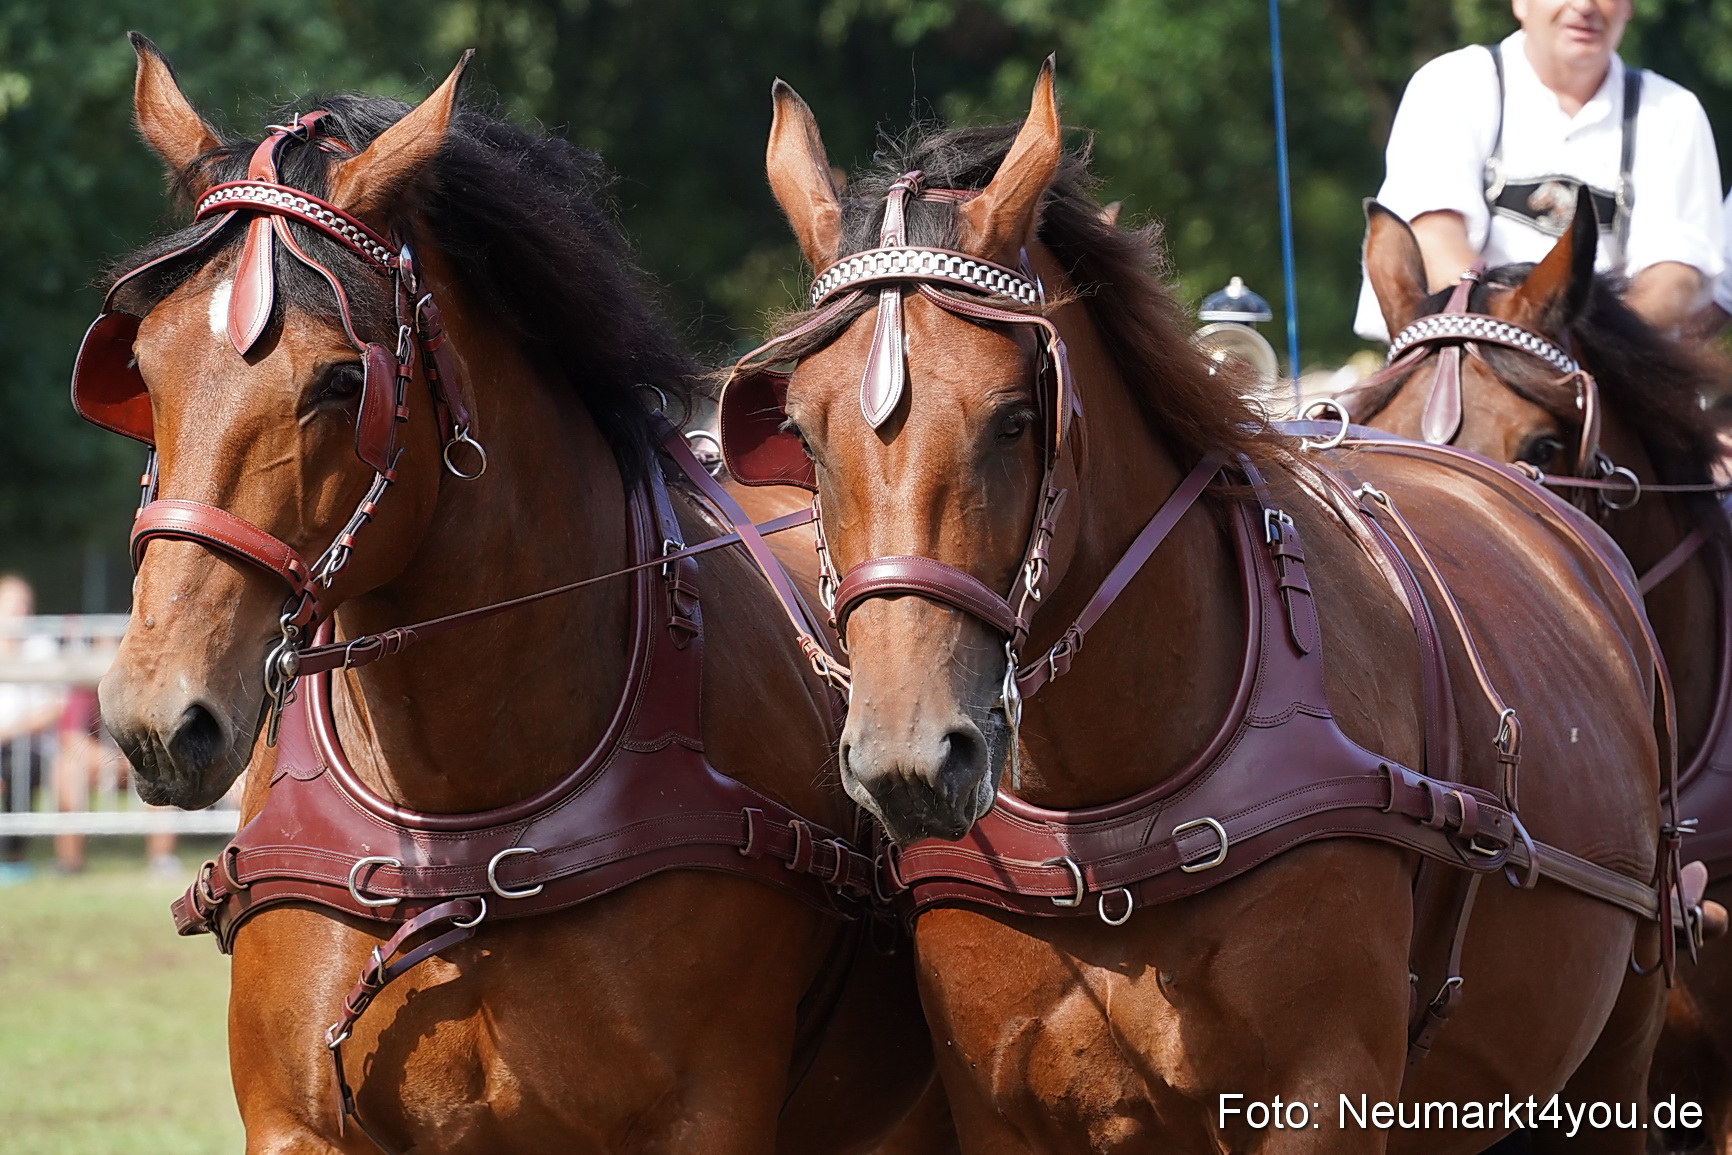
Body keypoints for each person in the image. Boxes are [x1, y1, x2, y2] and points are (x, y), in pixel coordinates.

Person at [1354, 0, 1723, 342]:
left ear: (1628, 6)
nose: (1582, 7)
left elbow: (1675, 279)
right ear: (1520, 3)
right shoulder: (1452, 84)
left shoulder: (1674, 112)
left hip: (1610, 372)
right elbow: (1431, 242)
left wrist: (1577, 342)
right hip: (1462, 355)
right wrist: (1514, 333)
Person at [0, 575, 63, 876]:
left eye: (25, 603)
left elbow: (53, 707)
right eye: (12, 602)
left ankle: (13, 856)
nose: (19, 610)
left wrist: (11, 732)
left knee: (18, 767)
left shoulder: (41, 647)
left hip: (28, 745)